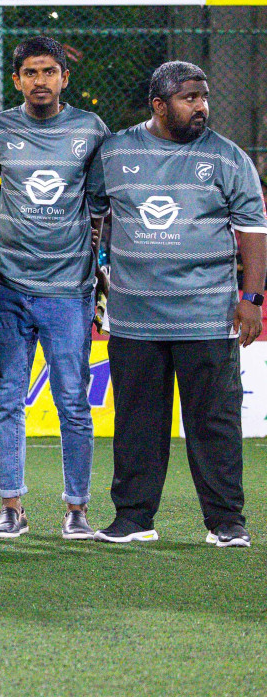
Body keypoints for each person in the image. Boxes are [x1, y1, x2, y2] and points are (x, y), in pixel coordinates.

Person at [90, 61, 264, 547]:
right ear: (159, 105)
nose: (201, 107)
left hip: (207, 316)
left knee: (215, 425)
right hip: (133, 317)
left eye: (204, 96)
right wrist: (95, 277)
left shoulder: (229, 158)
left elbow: (253, 230)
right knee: (136, 424)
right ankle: (133, 519)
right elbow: (93, 214)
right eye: (189, 98)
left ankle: (227, 522)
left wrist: (251, 298)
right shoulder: (116, 151)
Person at [0, 37, 109, 540]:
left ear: (64, 78)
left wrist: (96, 271)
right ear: (16, 81)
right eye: (30, 72)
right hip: (8, 284)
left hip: (67, 289)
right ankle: (11, 506)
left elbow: (99, 203)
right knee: (7, 399)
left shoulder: (90, 129)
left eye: (49, 71)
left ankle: (76, 510)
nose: (40, 81)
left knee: (73, 402)